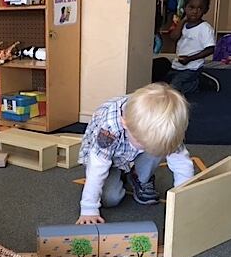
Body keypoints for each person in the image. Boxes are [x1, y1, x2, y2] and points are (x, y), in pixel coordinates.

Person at [76, 83, 194, 225]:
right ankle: (119, 174)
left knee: (158, 147)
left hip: (132, 149)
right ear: (125, 123)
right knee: (110, 198)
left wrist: (184, 201)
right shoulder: (109, 129)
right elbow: (96, 169)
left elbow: (182, 165)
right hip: (109, 159)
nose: (145, 148)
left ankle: (139, 177)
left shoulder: (167, 129)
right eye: (140, 142)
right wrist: (89, 209)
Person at [166, 0, 219, 94]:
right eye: (191, 7)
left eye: (200, 8)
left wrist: (190, 59)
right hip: (178, 65)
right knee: (165, 83)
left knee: (173, 91)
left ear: (205, 10)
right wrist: (183, 21)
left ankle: (198, 83)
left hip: (192, 67)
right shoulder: (183, 25)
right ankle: (197, 81)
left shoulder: (205, 28)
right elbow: (173, 37)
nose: (195, 11)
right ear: (185, 8)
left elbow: (210, 49)